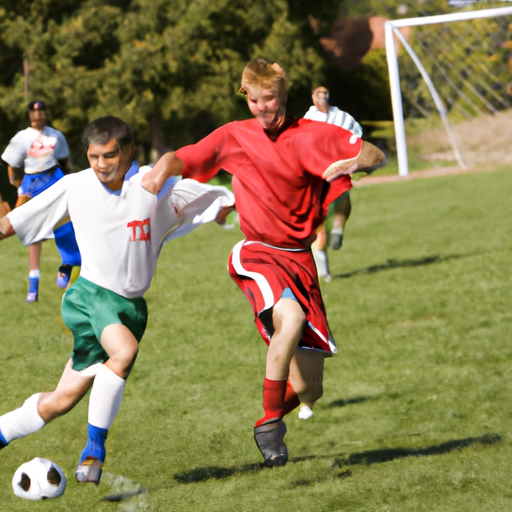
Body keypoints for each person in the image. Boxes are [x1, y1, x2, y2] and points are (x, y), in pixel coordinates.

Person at [0, 116, 234, 484]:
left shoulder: (153, 187)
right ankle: (94, 450)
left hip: (131, 308)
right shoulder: (75, 186)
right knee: (123, 353)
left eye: (109, 156)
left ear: (128, 152)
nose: (100, 165)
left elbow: (187, 173)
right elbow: (12, 222)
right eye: (93, 156)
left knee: (60, 400)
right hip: (90, 296)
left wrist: (219, 206)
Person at [175, 58, 386, 467]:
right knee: (289, 320)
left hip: (301, 260)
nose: (262, 107)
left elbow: (375, 153)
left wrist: (351, 163)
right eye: (254, 100)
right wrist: (157, 172)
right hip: (258, 252)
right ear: (246, 98)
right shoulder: (236, 135)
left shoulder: (313, 134)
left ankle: (269, 417)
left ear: (283, 95)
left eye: (269, 98)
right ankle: (271, 423)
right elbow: (188, 158)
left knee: (311, 388)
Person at [1, 100, 81, 302]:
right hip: (31, 183)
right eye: (33, 112)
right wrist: (18, 185)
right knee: (26, 228)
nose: (38, 115)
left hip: (54, 179)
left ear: (45, 113)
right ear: (29, 114)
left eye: (41, 111)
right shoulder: (22, 137)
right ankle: (33, 287)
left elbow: (65, 163)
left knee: (65, 225)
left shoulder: (56, 136)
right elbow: (11, 165)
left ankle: (67, 264)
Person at [304, 86, 363, 281]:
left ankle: (323, 269)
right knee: (341, 200)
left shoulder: (312, 120)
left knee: (319, 219)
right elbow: (358, 138)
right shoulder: (338, 117)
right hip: (333, 170)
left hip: (320, 171)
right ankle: (338, 228)